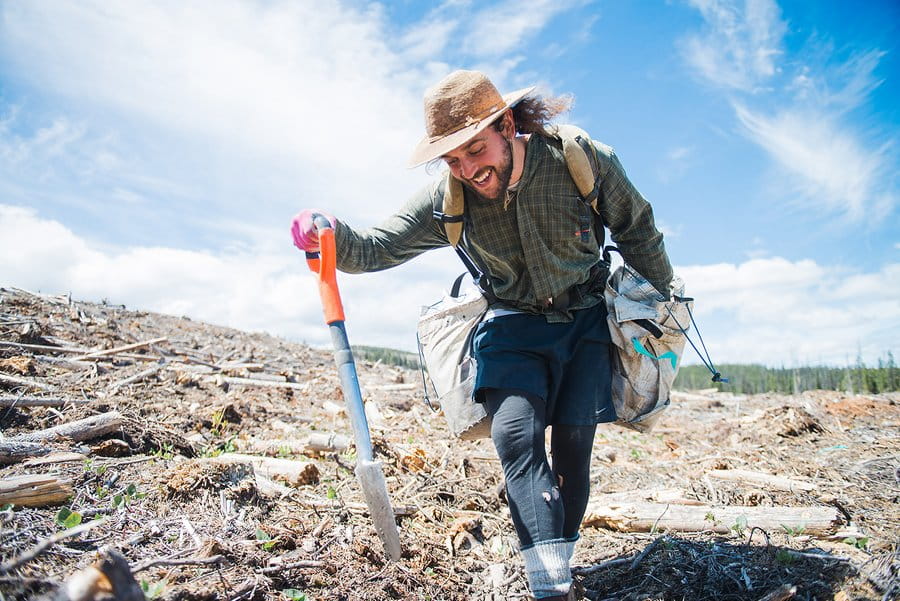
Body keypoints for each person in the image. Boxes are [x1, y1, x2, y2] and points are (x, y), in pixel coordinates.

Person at [291, 70, 672, 600]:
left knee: (572, 448)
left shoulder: (577, 161)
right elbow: (376, 248)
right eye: (453, 160)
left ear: (506, 125)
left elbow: (637, 225)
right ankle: (550, 585)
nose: (470, 169)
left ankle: (558, 556)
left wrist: (661, 300)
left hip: (584, 319)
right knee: (514, 437)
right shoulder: (449, 200)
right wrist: (327, 228)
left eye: (476, 150)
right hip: (511, 326)